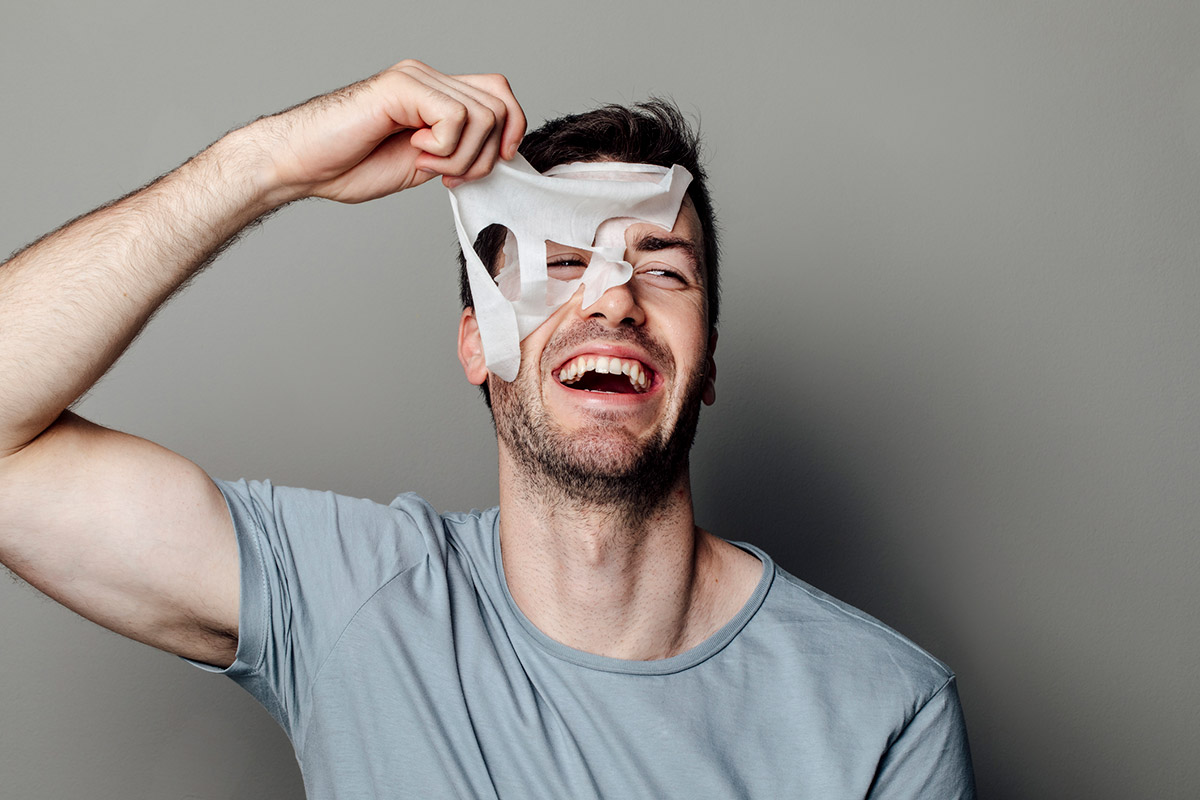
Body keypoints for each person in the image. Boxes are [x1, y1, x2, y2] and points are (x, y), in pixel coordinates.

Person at [0, 60, 975, 798]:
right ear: (478, 340)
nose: (613, 296)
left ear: (707, 356)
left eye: (663, 266)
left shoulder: (883, 713)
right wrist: (267, 167)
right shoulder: (347, 598)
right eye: (557, 260)